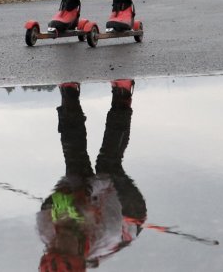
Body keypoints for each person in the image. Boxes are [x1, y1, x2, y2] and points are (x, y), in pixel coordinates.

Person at [37, 80, 146, 271]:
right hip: (127, 215)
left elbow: (68, 182)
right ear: (80, 251)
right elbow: (107, 182)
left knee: (75, 163)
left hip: (92, 208)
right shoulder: (107, 232)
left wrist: (70, 190)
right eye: (65, 248)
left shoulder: (46, 226)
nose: (59, 242)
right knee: (107, 164)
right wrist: (87, 191)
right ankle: (122, 95)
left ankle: (69, 94)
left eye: (54, 247)